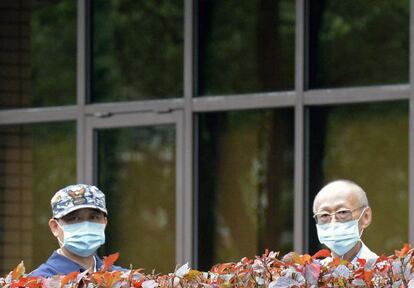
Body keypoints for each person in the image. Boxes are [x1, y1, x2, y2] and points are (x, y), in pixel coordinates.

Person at [30, 184, 125, 277]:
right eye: (74, 218)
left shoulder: (125, 279)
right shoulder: (38, 281)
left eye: (93, 217)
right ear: (55, 227)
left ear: (104, 222)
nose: (86, 226)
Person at [313, 179, 378, 265]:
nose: (333, 223)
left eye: (342, 212)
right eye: (324, 215)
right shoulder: (313, 274)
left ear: (366, 216)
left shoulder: (384, 272)